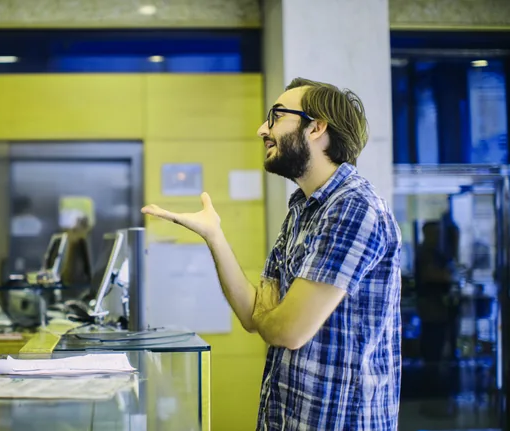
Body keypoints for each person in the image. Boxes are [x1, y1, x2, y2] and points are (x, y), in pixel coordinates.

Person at [142, 78, 402, 430]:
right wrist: (214, 235)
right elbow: (255, 315)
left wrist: (273, 320)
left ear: (317, 127)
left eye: (276, 116)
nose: (262, 128)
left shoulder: (354, 207)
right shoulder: (302, 207)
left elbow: (288, 331)